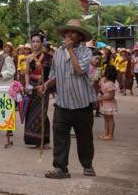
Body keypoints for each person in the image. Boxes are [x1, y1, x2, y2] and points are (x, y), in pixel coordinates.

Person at [37, 19, 96, 179]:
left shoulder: (86, 52)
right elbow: (55, 75)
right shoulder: (58, 53)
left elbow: (79, 70)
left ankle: (87, 164)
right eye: (67, 32)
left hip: (82, 104)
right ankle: (60, 168)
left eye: (73, 32)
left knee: (84, 138)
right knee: (60, 137)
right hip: (62, 103)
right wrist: (46, 85)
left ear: (80, 36)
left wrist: (70, 50)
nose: (69, 34)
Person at [24, 32, 52, 148]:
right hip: (32, 88)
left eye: (38, 42)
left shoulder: (48, 57)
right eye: (33, 41)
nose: (35, 44)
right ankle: (35, 140)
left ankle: (44, 141)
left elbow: (51, 74)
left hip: (43, 88)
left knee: (42, 113)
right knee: (31, 113)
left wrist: (45, 84)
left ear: (42, 43)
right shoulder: (28, 58)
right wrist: (26, 84)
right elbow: (26, 73)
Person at [0, 38, 16, 136]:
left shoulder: (6, 57)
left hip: (5, 86)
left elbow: (12, 71)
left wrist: (1, 74)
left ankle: (9, 129)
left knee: (6, 107)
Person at [97, 65, 119, 141]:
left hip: (109, 104)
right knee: (106, 119)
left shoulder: (111, 83)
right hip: (104, 103)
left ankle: (111, 135)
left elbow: (111, 96)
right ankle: (106, 133)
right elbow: (100, 88)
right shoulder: (102, 79)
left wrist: (101, 98)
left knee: (110, 119)